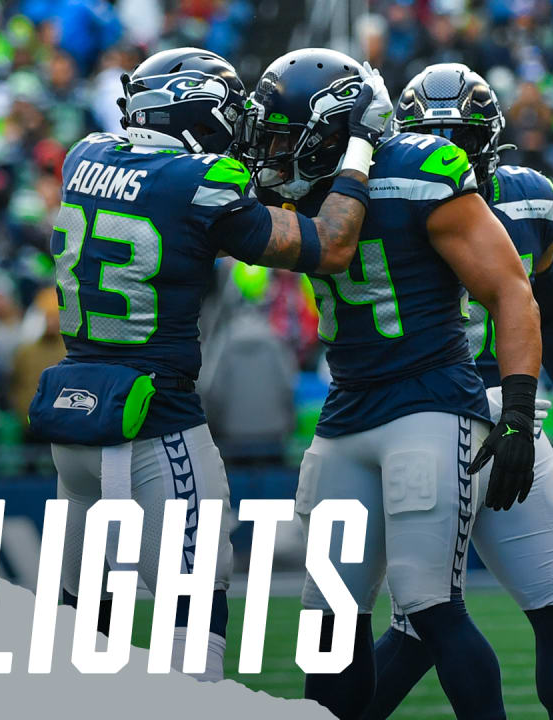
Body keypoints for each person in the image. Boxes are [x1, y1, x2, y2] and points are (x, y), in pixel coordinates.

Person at [39, 47, 390, 681]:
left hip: (75, 423)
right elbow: (331, 246)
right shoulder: (199, 184)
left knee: (84, 621)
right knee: (194, 619)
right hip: (155, 422)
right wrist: (360, 145)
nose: (238, 130)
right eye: (227, 114)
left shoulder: (82, 157)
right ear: (196, 115)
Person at [239, 48, 542, 719]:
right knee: (327, 621)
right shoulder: (294, 184)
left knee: (428, 601)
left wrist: (517, 406)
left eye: (285, 137)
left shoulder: (421, 171)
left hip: (428, 404)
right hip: (347, 409)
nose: (271, 152)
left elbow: (511, 290)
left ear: (332, 131)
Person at [366, 62, 553, 720]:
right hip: (434, 412)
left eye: (460, 136)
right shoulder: (393, 199)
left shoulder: (527, 196)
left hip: (490, 409)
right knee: (429, 622)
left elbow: (550, 305)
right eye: (432, 136)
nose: (447, 152)